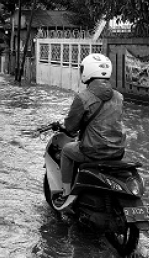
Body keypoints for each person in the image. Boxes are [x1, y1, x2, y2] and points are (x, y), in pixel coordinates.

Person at [52, 53, 126, 203]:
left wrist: (64, 127)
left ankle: (66, 193)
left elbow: (72, 128)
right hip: (118, 151)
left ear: (88, 72)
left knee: (66, 151)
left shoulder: (83, 97)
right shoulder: (119, 96)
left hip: (93, 151)